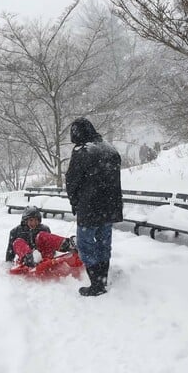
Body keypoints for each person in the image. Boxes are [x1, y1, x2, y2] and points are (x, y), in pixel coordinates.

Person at [66, 117, 123, 296]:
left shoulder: (82, 151)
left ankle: (96, 285)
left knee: (85, 244)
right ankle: (102, 279)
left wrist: (75, 202)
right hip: (110, 207)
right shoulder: (110, 149)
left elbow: (72, 181)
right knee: (104, 243)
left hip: (89, 208)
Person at [5, 206, 76, 267]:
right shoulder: (15, 231)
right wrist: (9, 263)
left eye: (36, 220)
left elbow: (51, 244)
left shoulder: (44, 228)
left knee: (42, 235)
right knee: (18, 241)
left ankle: (68, 245)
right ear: (25, 221)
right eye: (31, 220)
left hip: (44, 256)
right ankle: (30, 258)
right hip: (27, 261)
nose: (34, 223)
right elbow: (10, 251)